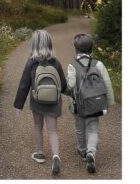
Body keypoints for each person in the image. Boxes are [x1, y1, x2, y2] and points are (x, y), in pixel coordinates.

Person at [14, 29, 69, 175]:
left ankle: (39, 153)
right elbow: (62, 84)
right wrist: (70, 93)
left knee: (37, 126)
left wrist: (18, 105)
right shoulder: (55, 62)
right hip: (53, 101)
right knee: (53, 131)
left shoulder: (31, 62)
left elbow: (24, 85)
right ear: (49, 44)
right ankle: (55, 156)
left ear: (34, 45)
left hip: (37, 101)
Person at [67, 33, 115, 174]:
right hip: (95, 104)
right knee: (93, 129)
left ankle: (82, 151)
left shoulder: (72, 65)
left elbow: (70, 86)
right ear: (91, 49)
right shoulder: (98, 64)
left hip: (79, 105)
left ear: (76, 49)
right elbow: (107, 83)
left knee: (80, 128)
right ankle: (91, 153)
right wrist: (109, 103)